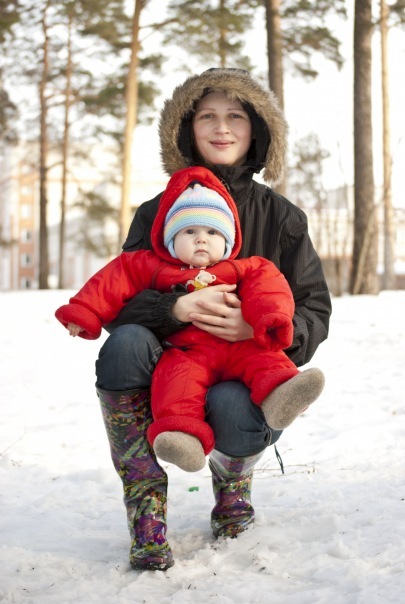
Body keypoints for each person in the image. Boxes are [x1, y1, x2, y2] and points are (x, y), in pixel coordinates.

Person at [59, 68, 332, 572]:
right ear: (187, 128)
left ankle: (233, 485)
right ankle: (146, 507)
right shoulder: (156, 213)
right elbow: (121, 290)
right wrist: (173, 309)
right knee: (124, 344)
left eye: (235, 116)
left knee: (230, 404)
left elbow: (314, 306)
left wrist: (259, 329)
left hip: (246, 369)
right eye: (207, 116)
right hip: (173, 366)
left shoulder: (282, 217)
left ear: (257, 129)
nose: (221, 127)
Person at [56, 165, 325, 476]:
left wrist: (267, 319)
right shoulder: (155, 266)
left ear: (228, 240)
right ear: (171, 239)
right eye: (189, 232)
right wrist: (85, 312)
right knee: (177, 383)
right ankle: (182, 437)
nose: (201, 240)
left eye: (212, 232)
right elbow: (114, 279)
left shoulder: (243, 267)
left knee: (264, 359)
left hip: (239, 346)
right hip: (188, 351)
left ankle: (281, 395)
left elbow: (269, 287)